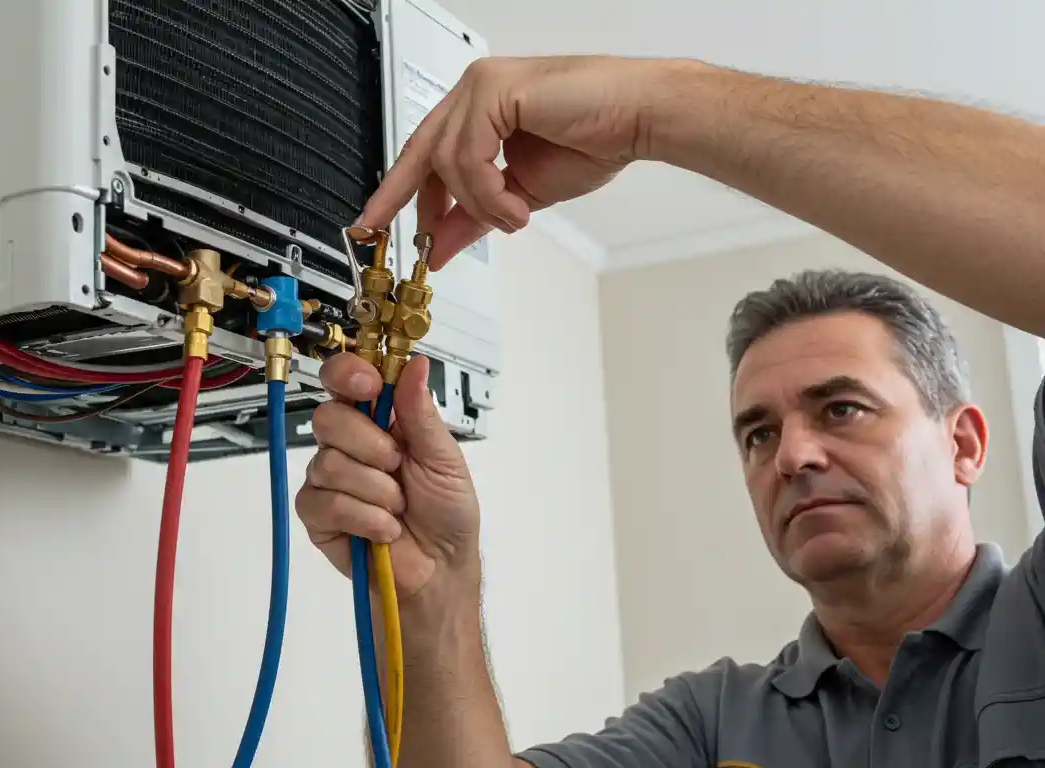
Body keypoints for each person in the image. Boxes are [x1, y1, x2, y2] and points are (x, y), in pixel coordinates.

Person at [294, 55, 1045, 767]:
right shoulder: (710, 723)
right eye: (758, 433)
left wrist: (651, 109)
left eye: (842, 409)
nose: (792, 456)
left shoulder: (1036, 620)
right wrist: (433, 591)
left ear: (964, 445)